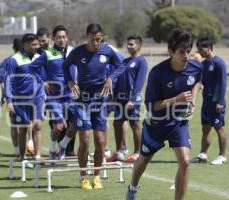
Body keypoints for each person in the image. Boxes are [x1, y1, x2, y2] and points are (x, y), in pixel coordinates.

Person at [126, 29, 202, 200]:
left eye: (188, 51)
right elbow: (152, 106)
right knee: (143, 160)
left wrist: (193, 99)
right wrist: (178, 99)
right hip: (156, 124)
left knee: (185, 161)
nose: (186, 56)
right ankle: (132, 188)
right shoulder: (157, 73)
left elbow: (198, 81)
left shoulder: (195, 67)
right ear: (170, 52)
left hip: (178, 123)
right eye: (182, 52)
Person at [63, 23, 126, 189]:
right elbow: (65, 66)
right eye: (92, 39)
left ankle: (96, 176)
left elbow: (121, 65)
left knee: (100, 141)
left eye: (98, 39)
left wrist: (111, 78)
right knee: (84, 139)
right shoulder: (77, 52)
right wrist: (70, 81)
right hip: (81, 100)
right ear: (86, 37)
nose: (95, 43)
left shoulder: (107, 51)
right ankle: (83, 176)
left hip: (100, 100)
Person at [29, 25, 76, 160]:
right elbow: (32, 68)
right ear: (53, 39)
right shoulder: (48, 53)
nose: (61, 40)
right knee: (59, 126)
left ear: (67, 38)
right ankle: (52, 147)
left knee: (77, 125)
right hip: (54, 97)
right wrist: (42, 81)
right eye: (58, 37)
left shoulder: (73, 52)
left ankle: (63, 145)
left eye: (63, 37)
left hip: (71, 96)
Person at [107, 35, 147, 163]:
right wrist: (113, 96)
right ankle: (118, 152)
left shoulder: (141, 61)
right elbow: (118, 78)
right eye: (128, 44)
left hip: (131, 99)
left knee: (134, 124)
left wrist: (133, 99)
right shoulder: (125, 61)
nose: (129, 46)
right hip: (120, 99)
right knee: (117, 123)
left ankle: (138, 153)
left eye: (132, 44)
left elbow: (139, 83)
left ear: (139, 46)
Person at [5, 33, 44, 161]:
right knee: (23, 128)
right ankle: (22, 157)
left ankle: (37, 156)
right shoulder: (14, 60)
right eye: (33, 45)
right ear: (26, 45)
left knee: (37, 125)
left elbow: (43, 76)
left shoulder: (40, 57)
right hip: (20, 99)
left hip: (38, 97)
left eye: (37, 44)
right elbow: (8, 81)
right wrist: (9, 101)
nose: (36, 47)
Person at [190, 37, 227, 165]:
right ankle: (203, 155)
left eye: (201, 49)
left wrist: (220, 102)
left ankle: (222, 156)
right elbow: (202, 81)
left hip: (216, 102)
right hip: (206, 102)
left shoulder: (219, 63)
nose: (199, 52)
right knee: (205, 129)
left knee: (219, 128)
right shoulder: (204, 64)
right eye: (198, 49)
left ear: (209, 48)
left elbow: (222, 84)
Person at [0, 38, 23, 157]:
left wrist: (5, 95)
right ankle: (30, 145)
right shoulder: (30, 59)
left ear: (14, 48)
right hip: (28, 96)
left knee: (14, 124)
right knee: (31, 123)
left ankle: (17, 150)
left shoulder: (8, 61)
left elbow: (0, 77)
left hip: (13, 97)